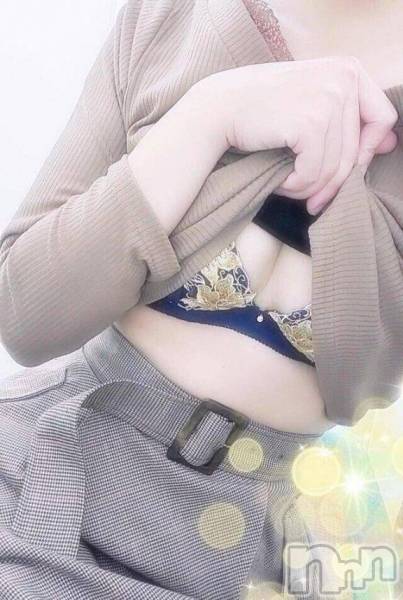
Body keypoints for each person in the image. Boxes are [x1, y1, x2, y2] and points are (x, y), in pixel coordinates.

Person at [0, 1, 402, 598]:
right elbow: (28, 314)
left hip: (258, 554)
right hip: (47, 481)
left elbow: (360, 379)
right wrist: (214, 112)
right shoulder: (173, 16)